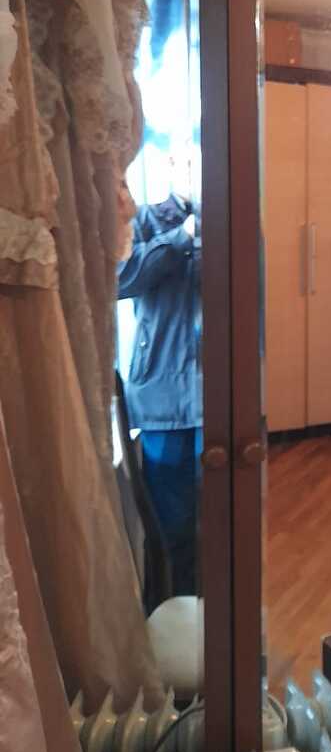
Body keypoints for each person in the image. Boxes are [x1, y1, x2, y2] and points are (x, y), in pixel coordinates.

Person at [117, 141, 202, 596]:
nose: (198, 170)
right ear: (172, 165)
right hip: (161, 401)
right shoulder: (145, 220)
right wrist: (182, 237)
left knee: (223, 520)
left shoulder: (235, 223)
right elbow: (120, 278)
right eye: (190, 161)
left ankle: (217, 619)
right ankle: (170, 613)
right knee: (171, 529)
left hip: (219, 400)